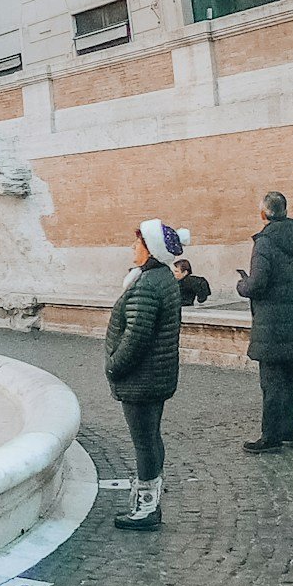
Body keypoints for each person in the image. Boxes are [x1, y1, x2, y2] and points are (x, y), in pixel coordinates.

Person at [105, 221, 187, 530]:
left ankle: (146, 508)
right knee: (151, 437)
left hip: (141, 378)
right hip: (156, 375)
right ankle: (150, 500)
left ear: (150, 249)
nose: (132, 249)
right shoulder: (162, 278)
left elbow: (136, 336)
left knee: (144, 441)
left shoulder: (148, 285)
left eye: (136, 244)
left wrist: (114, 365)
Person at [238, 191, 293, 455]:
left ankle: (270, 437)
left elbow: (257, 283)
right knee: (290, 380)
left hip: (270, 325)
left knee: (271, 383)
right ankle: (287, 432)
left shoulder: (265, 243)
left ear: (265, 213)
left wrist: (242, 285)